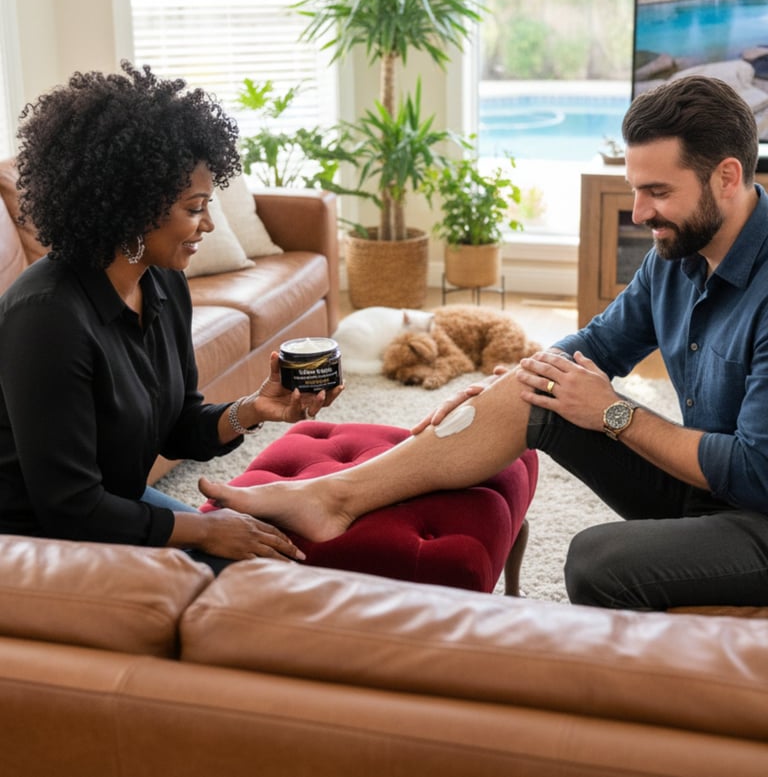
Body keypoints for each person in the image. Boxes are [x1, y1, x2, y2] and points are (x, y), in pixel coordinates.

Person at [200, 74, 768, 610]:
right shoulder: (677, 254)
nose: (640, 212)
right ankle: (335, 496)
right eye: (634, 189)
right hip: (703, 486)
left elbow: (752, 471)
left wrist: (615, 413)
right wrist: (502, 391)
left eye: (658, 192)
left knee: (596, 560)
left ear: (726, 176)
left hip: (757, 509)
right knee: (536, 388)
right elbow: (596, 345)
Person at [0, 62, 341, 573]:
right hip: (38, 542)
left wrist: (254, 409)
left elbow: (180, 426)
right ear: (131, 209)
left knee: (274, 569)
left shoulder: (163, 283)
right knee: (249, 586)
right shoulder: (46, 317)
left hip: (114, 512)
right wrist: (204, 529)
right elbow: (68, 505)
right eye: (194, 207)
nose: (206, 223)